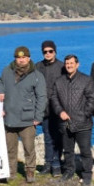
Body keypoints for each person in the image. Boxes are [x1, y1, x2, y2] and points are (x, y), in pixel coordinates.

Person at [0, 46, 47, 183]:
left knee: (29, 148)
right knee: (10, 148)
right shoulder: (7, 71)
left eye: (24, 57)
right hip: (9, 118)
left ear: (28, 58)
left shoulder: (37, 75)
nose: (21, 60)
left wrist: (38, 117)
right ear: (15, 59)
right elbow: (0, 82)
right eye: (19, 58)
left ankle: (30, 171)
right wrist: (0, 91)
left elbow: (42, 97)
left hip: (27, 119)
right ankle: (11, 172)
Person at [51, 54, 94, 185]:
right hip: (65, 123)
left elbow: (93, 99)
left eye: (72, 63)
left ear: (77, 64)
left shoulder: (86, 80)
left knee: (85, 151)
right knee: (68, 151)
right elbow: (54, 98)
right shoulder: (59, 81)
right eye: (67, 63)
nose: (69, 65)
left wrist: (84, 114)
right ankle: (69, 171)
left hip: (83, 123)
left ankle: (87, 174)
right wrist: (60, 112)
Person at [36, 41, 64, 177]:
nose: (48, 54)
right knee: (47, 137)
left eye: (50, 51)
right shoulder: (38, 67)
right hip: (44, 109)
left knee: (58, 137)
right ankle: (48, 163)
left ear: (55, 52)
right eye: (45, 52)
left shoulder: (62, 66)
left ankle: (57, 164)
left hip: (58, 109)